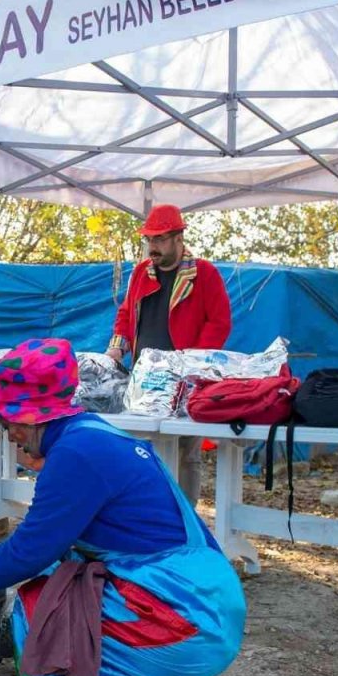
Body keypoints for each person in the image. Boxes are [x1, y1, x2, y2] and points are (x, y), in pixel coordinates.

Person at [0, 338, 245, 676]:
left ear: (30, 415)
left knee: (42, 611)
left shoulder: (74, 455)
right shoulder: (96, 433)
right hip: (207, 602)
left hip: (189, 618)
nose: (11, 436)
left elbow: (30, 552)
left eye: (9, 423)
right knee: (68, 584)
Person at [105, 204, 231, 505]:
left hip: (186, 380)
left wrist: (192, 363)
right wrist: (116, 347)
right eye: (149, 240)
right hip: (143, 379)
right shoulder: (139, 273)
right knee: (139, 448)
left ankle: (186, 519)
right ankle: (146, 514)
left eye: (160, 239)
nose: (153, 246)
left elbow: (220, 322)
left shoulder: (205, 274)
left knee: (187, 452)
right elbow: (125, 313)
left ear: (179, 238)